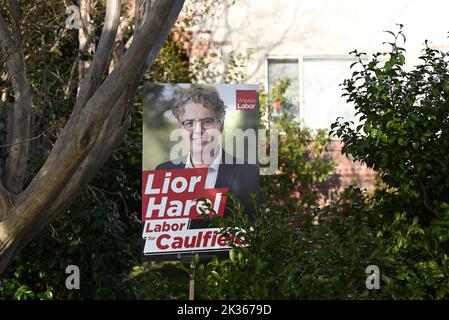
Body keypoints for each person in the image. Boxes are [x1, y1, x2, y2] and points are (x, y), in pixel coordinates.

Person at [155, 86, 259, 222]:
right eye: (189, 123)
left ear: (220, 126)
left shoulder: (249, 174)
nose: (198, 130)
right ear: (180, 129)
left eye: (207, 122)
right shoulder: (162, 173)